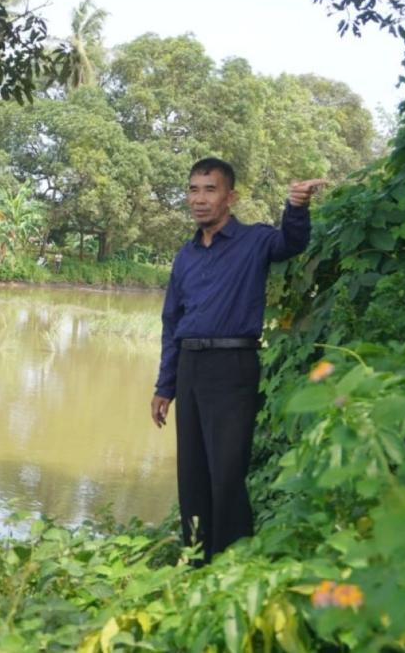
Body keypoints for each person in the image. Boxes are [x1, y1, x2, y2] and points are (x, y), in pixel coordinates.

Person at [151, 157, 327, 565]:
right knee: (192, 476)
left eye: (209, 190)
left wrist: (297, 208)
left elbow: (292, 243)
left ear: (230, 196)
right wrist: (165, 385)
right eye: (193, 189)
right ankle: (195, 563)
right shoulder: (186, 255)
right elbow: (171, 321)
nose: (199, 199)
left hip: (233, 367)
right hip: (191, 368)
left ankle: (232, 565)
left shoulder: (255, 241)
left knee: (227, 476)